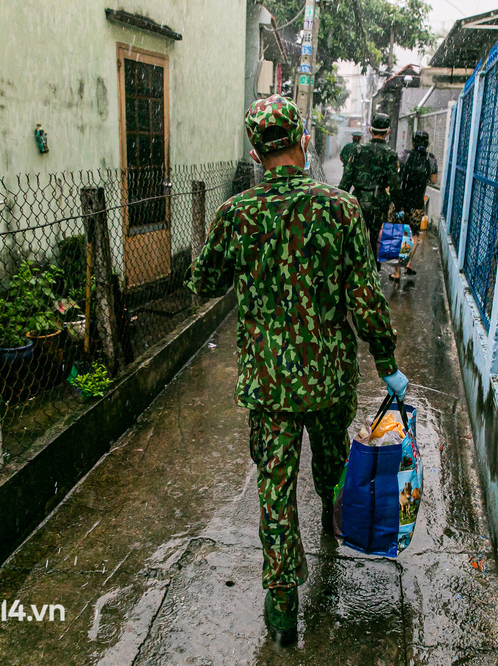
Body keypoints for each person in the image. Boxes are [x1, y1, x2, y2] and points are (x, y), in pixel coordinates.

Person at [186, 95, 409, 647]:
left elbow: (204, 284)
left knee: (274, 485)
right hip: (329, 380)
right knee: (332, 465)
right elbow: (365, 298)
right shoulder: (340, 210)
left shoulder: (236, 214)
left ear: (258, 153)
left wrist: (228, 261)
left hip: (268, 385)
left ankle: (282, 600)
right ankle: (334, 526)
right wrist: (387, 362)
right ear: (301, 143)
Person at [339, 113, 401, 270]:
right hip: (379, 202)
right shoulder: (391, 154)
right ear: (388, 132)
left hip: (358, 200)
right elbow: (394, 184)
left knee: (356, 235)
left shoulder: (358, 150)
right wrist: (397, 205)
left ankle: (356, 268)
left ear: (369, 130)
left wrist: (338, 201)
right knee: (374, 238)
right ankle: (373, 271)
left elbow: (346, 179)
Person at [391, 130, 438, 280]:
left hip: (401, 202)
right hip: (417, 202)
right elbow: (434, 180)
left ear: (412, 143)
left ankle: (396, 272)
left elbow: (395, 172)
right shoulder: (431, 159)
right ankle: (409, 262)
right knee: (414, 233)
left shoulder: (404, 155)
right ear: (427, 144)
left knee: (398, 232)